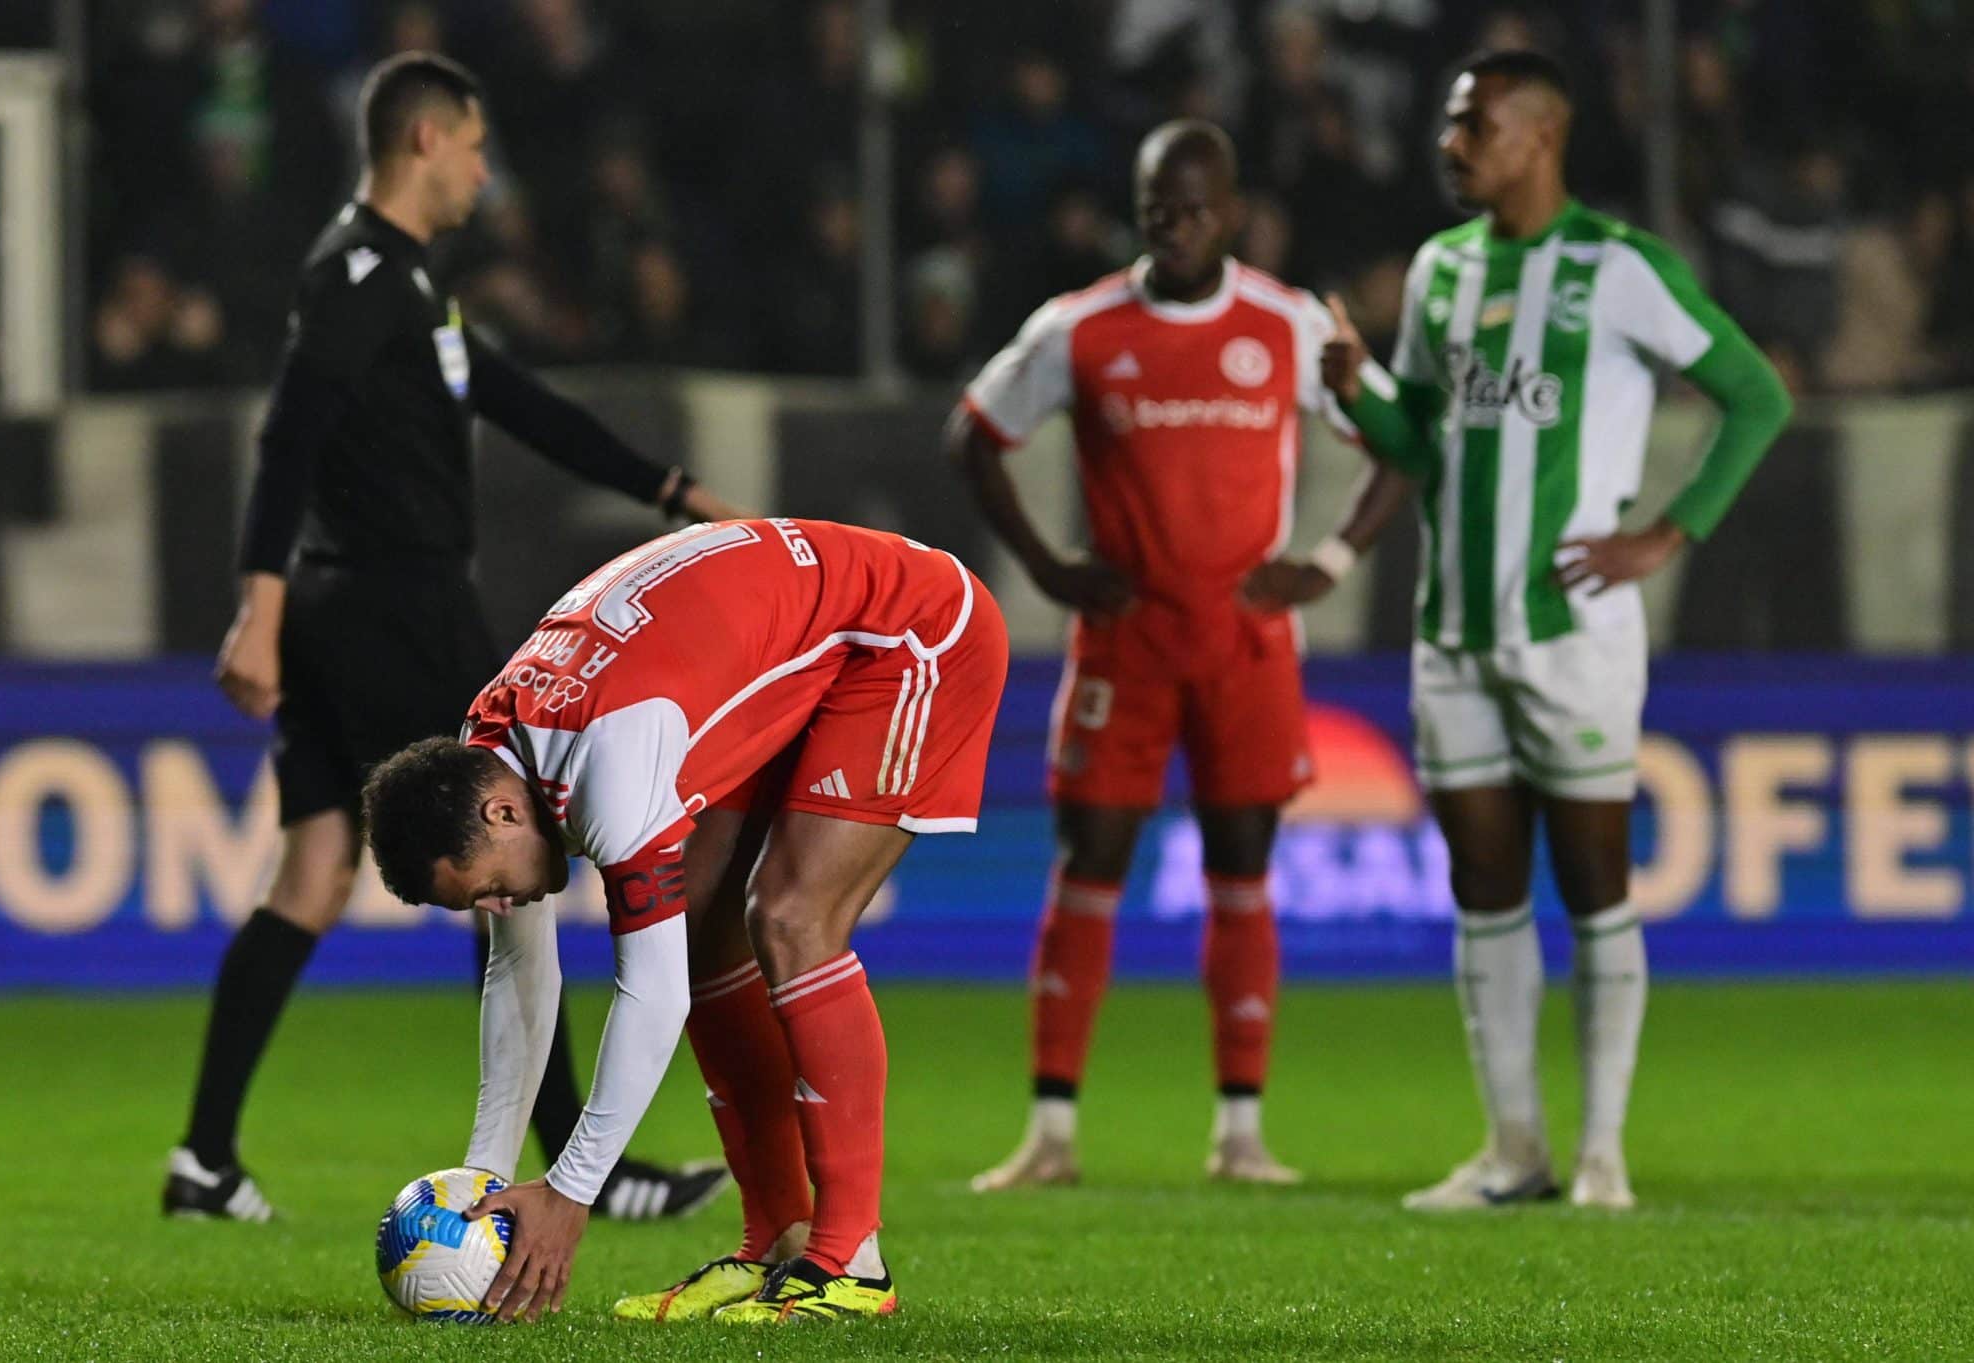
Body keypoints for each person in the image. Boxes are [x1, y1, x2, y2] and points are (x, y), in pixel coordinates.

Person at [163, 52, 742, 1224]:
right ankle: (594, 1159)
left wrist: (668, 488)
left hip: (344, 606)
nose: (485, 169)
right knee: (511, 847)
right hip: (390, 605)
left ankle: (204, 1161)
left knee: (314, 873)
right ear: (425, 141)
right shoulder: (358, 276)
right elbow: (287, 439)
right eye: (476, 147)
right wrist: (255, 604)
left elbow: (519, 402)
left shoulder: (405, 285)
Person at [1318, 49, 1792, 1211]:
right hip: (1455, 630)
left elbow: (1755, 394)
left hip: (1573, 629)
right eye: (1448, 123)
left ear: (1538, 136)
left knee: (1592, 882)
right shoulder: (1437, 271)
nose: (1449, 143)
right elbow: (1427, 448)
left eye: (1469, 124)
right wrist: (1355, 391)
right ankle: (1512, 1149)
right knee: (1483, 886)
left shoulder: (1618, 269)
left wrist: (1663, 533)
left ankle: (1601, 1156)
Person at [361, 517, 1009, 1323]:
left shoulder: (609, 758)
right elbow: (519, 969)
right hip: (779, 639)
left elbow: (652, 997)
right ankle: (777, 1237)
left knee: (790, 916)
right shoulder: (487, 751)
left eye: (486, 889)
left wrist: (571, 1190)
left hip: (907, 630)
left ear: (500, 812)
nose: (498, 907)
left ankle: (851, 1263)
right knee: (703, 937)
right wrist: (482, 1184)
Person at [949, 119, 1414, 1191]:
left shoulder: (1289, 323)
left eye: (1198, 208)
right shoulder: (1080, 327)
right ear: (1138, 207)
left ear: (1233, 211)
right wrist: (1047, 566)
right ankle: (1051, 1134)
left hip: (1246, 639)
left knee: (1241, 865)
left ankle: (1240, 1131)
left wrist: (1331, 560)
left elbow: (1398, 445)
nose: (1178, 226)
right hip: (1124, 639)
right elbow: (970, 434)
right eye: (1160, 207)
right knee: (1090, 859)